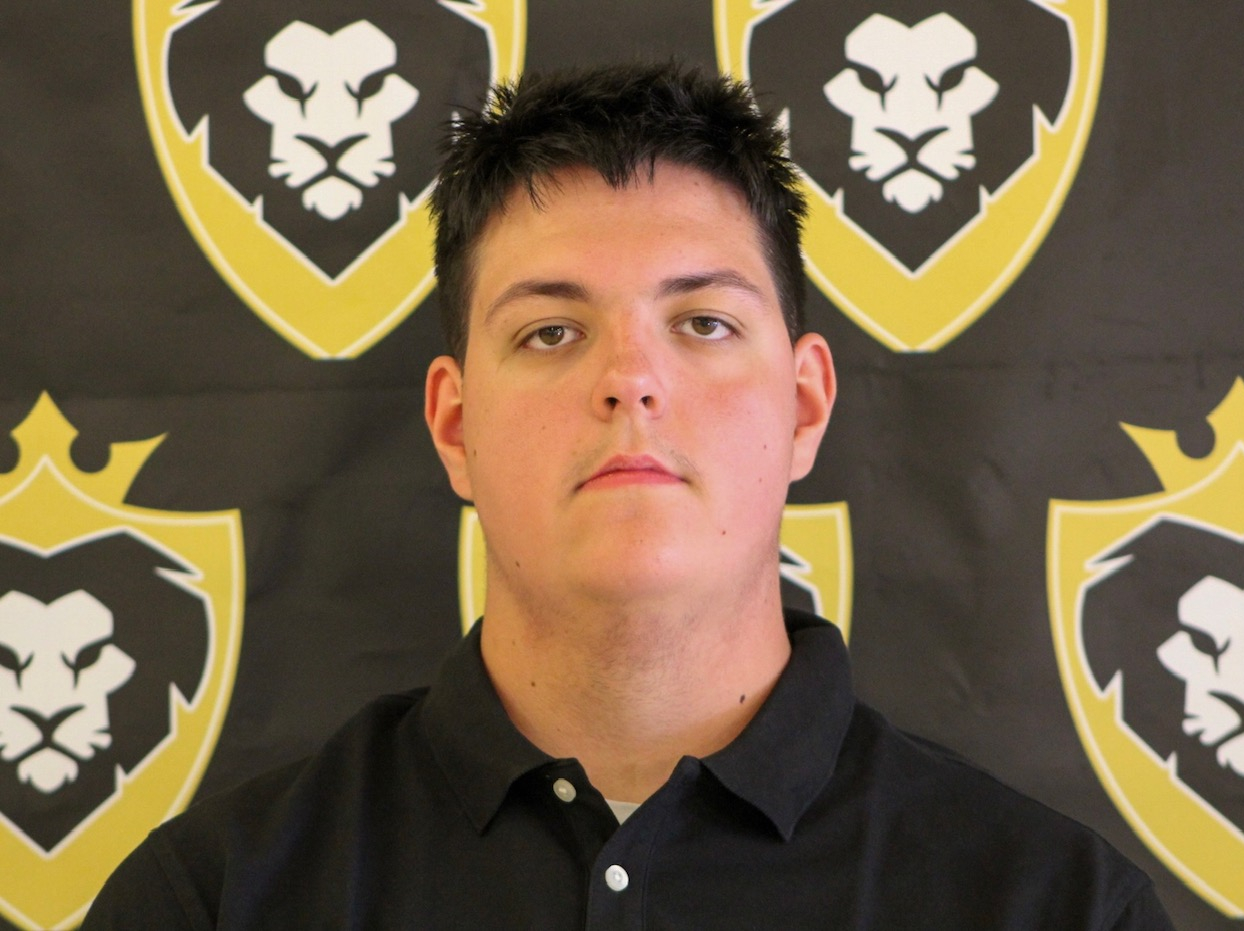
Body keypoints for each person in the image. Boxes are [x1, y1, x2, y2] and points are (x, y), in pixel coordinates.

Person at [85, 61, 1174, 929]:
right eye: (550, 331)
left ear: (802, 407)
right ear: (456, 428)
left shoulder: (1054, 906)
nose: (630, 379)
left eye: (702, 321)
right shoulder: (212, 900)